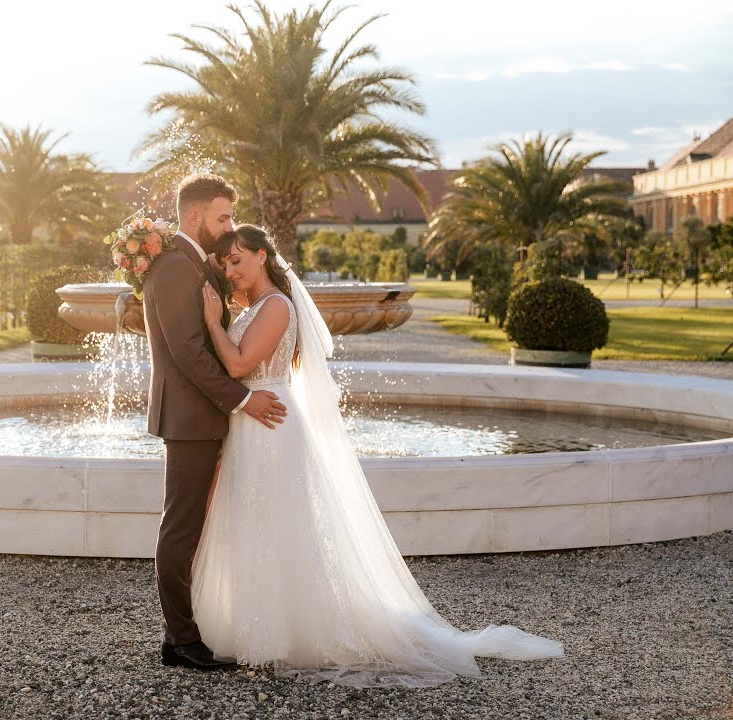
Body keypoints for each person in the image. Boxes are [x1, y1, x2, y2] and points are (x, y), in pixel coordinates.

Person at [193, 224, 565, 688]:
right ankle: (253, 628)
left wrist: (212, 322)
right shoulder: (248, 307)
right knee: (252, 523)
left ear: (264, 257)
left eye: (238, 260)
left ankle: (284, 634)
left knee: (279, 524)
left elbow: (239, 365)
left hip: (271, 427)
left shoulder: (276, 307)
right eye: (225, 263)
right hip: (252, 423)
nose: (231, 270)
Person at [140, 173, 289, 671]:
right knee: (181, 527)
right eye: (223, 216)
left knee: (192, 525)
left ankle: (189, 631)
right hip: (190, 418)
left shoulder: (188, 264)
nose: (228, 226)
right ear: (193, 215)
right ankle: (180, 640)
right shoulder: (177, 266)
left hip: (201, 417)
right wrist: (243, 399)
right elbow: (186, 354)